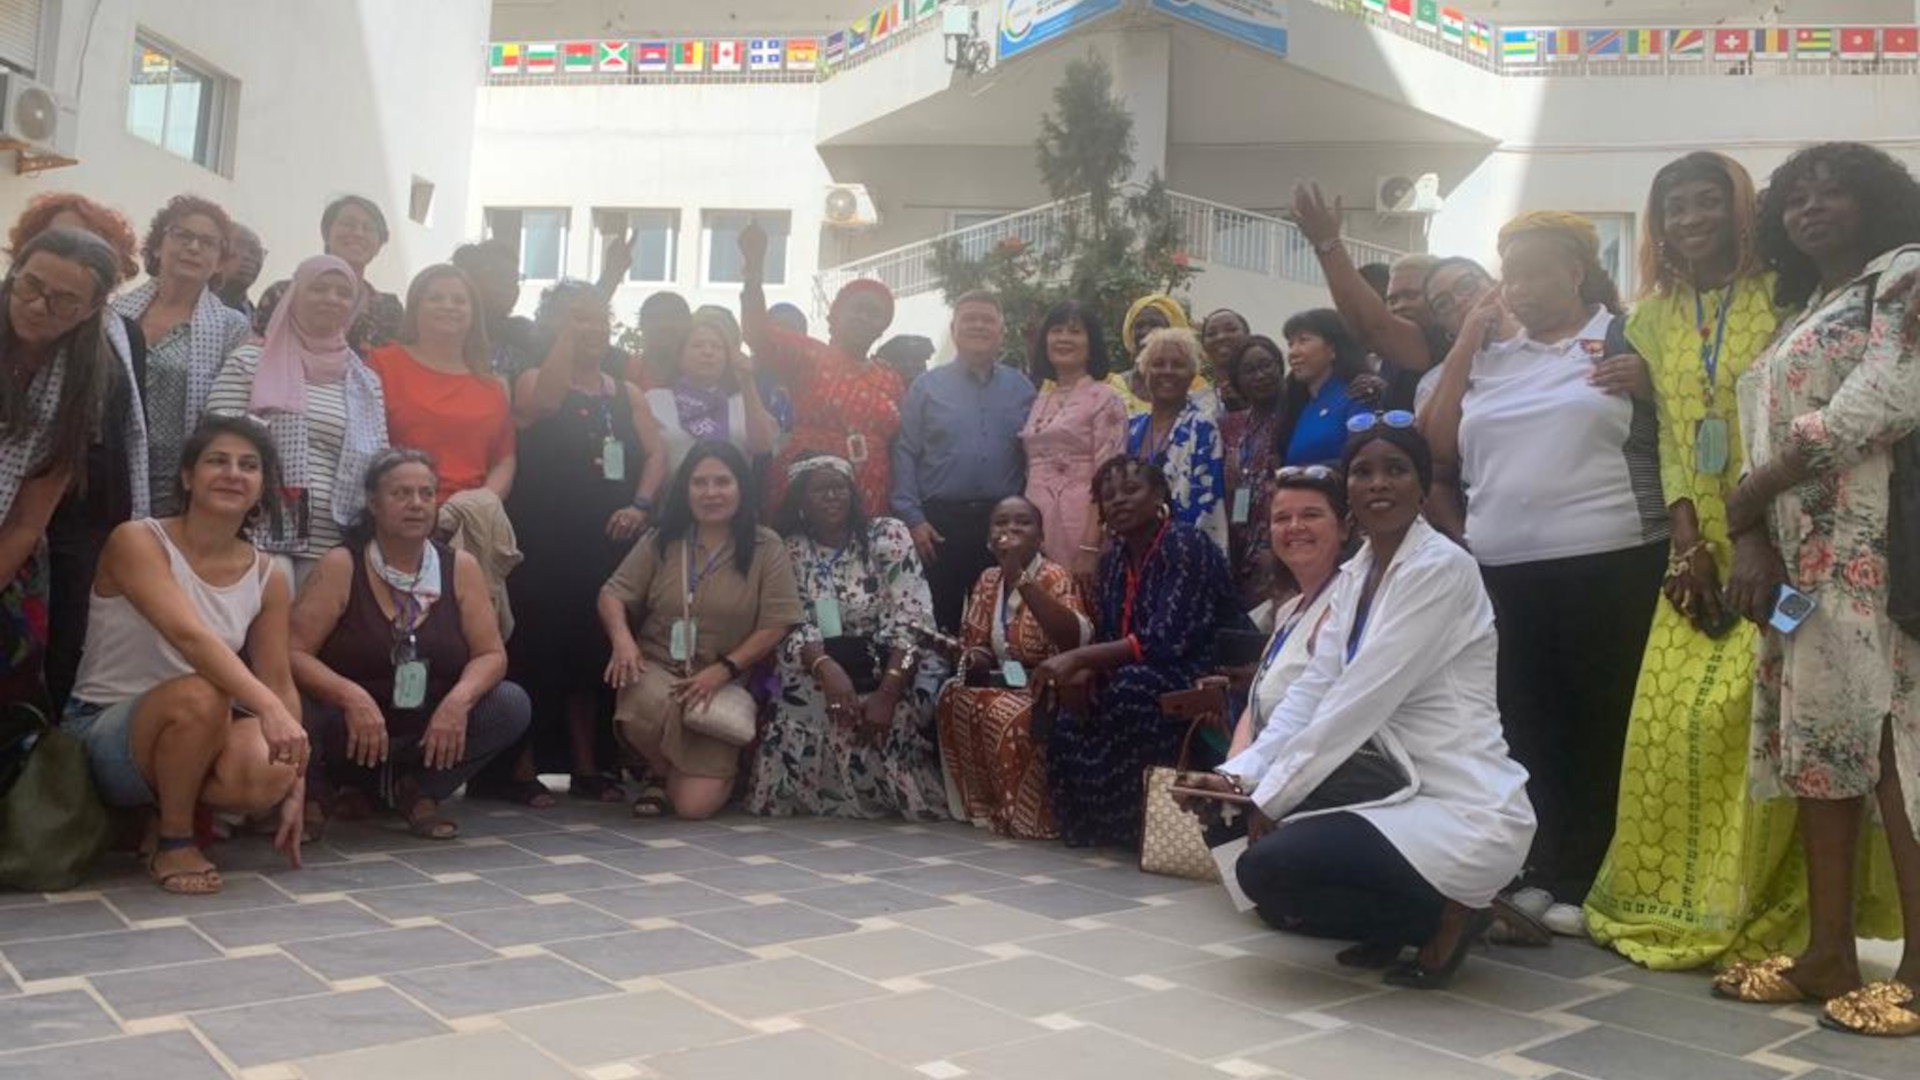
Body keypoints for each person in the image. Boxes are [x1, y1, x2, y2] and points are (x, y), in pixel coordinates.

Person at [1192, 419, 1536, 989]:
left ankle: (1453, 912)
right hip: (1380, 787)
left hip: (1457, 802)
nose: (1378, 483)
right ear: (1348, 491)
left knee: (1268, 863)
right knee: (1244, 859)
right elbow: (1312, 690)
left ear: (1422, 487)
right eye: (1362, 472)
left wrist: (1271, 797)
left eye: (1396, 470)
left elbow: (1357, 700)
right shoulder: (1356, 575)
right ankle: (1402, 922)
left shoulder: (1441, 568)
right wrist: (1237, 779)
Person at [1585, 153, 1818, 971]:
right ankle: (1671, 899)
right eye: (1674, 207)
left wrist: (1758, 537)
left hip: (1786, 542)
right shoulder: (1651, 319)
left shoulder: (1786, 295)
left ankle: (1760, 908)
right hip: (1700, 553)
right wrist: (1687, 545)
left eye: (1707, 202)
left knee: (1759, 728)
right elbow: (1673, 443)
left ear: (1742, 208)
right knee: (1669, 726)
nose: (1690, 219)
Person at [1713, 143, 1920, 1033]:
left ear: (1879, 201)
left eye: (1835, 192)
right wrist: (1750, 535)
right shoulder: (1804, 310)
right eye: (1797, 197)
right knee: (1820, 750)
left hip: (1879, 558)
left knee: (1897, 752)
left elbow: (1886, 398)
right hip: (1802, 570)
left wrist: (1752, 493)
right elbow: (1758, 438)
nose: (1812, 207)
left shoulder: (1903, 275)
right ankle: (1828, 951)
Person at [1424, 211, 1665, 935]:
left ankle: (1589, 878)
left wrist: (1652, 387)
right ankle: (1540, 867)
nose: (1521, 289)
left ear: (1577, 272)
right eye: (1511, 275)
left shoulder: (1626, 336)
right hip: (1505, 569)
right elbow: (1433, 446)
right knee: (1527, 722)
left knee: (1599, 720)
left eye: (1536, 273)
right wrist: (1465, 342)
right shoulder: (1494, 356)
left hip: (1610, 559)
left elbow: (1693, 419)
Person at [61, 415, 307, 894]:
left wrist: (296, 777)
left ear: (262, 487)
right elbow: (189, 637)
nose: (233, 473)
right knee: (201, 693)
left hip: (200, 727)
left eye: (249, 465)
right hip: (103, 726)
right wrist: (269, 709)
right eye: (217, 461)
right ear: (188, 477)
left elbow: (279, 682)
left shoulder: (269, 575)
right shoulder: (137, 540)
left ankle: (157, 809)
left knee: (265, 767)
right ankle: (176, 839)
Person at [290, 449, 531, 840]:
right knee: (295, 700)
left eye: (426, 493)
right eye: (401, 493)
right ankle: (320, 794)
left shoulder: (459, 567)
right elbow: (294, 652)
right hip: (347, 729)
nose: (416, 504)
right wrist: (350, 696)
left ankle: (417, 791)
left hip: (426, 729)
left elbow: (490, 654)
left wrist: (459, 701)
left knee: (509, 703)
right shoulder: (342, 565)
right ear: (373, 503)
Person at [501, 279, 663, 804]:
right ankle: (520, 766)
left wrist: (640, 504)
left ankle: (589, 765)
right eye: (577, 317)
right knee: (539, 648)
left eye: (598, 318)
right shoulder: (532, 378)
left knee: (592, 650)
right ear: (554, 324)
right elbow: (545, 403)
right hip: (545, 538)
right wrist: (567, 338)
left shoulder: (626, 392)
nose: (591, 328)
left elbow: (656, 453)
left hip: (608, 540)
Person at [1035, 456, 1242, 849]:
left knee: (1133, 689)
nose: (1118, 501)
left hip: (1204, 669)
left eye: (1131, 490)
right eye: (1109, 495)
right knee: (1072, 705)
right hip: (1140, 667)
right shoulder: (1113, 560)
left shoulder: (1185, 544)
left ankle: (1146, 827)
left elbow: (1166, 641)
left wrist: (1080, 658)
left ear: (1159, 493)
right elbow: (1112, 633)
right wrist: (1085, 672)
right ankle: (1095, 828)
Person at [598, 441, 802, 820]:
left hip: (720, 680)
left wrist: (724, 670)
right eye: (700, 483)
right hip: (659, 669)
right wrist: (623, 642)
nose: (711, 493)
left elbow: (777, 622)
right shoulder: (662, 539)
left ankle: (675, 775)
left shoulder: (765, 546)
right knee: (644, 700)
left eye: (722, 482)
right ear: (685, 489)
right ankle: (659, 772)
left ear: (741, 488)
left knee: (693, 808)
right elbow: (612, 594)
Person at [7, 197, 150, 711]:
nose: (37, 306)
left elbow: (27, 521)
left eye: (63, 301)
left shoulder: (86, 381)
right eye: (30, 286)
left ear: (92, 309)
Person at [748, 454, 946, 818]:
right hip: (820, 657)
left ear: (853, 494)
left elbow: (914, 620)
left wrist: (888, 691)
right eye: (819, 490)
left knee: (893, 702)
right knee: (800, 691)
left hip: (891, 659)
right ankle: (816, 793)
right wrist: (826, 668)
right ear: (801, 501)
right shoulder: (791, 548)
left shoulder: (888, 534)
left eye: (839, 487)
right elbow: (792, 622)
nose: (832, 497)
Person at [205, 255, 389, 586]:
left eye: (343, 293)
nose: (331, 298)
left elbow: (380, 462)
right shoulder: (250, 361)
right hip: (253, 532)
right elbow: (215, 443)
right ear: (295, 294)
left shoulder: (365, 382)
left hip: (335, 542)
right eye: (318, 288)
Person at [366, 265, 521, 639]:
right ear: (415, 308)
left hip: (469, 530)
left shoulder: (492, 385)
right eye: (436, 297)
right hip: (399, 522)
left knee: (463, 638)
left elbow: (505, 457)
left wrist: (477, 504)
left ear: (473, 313)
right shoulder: (383, 364)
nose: (448, 306)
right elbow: (368, 442)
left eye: (459, 300)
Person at [936, 495, 1092, 839]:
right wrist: (962, 655)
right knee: (952, 697)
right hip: (1004, 680)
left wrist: (1019, 576)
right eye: (1001, 523)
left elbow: (1073, 638)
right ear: (989, 537)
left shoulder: (1055, 576)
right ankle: (986, 807)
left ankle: (1030, 815)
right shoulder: (987, 579)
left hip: (1049, 683)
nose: (1010, 529)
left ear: (1040, 536)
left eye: (1023, 522)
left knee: (1004, 713)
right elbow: (980, 647)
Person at [892, 292, 1035, 632]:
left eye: (988, 320)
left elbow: (1033, 456)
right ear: (954, 329)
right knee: (940, 621)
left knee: (1002, 619)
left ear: (1001, 332)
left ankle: (994, 669)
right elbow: (905, 451)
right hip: (939, 525)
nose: (978, 325)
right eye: (970, 319)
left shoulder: (1022, 389)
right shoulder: (926, 387)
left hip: (1002, 523)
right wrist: (913, 518)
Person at [739, 224, 902, 518]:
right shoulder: (808, 354)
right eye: (857, 309)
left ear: (883, 327)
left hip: (870, 491)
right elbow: (757, 333)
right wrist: (753, 273)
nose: (864, 317)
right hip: (809, 488)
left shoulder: (890, 378)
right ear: (836, 314)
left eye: (874, 313)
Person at [111, 195, 253, 517]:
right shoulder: (115, 315)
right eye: (182, 235)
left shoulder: (231, 328)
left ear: (220, 262)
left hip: (178, 484)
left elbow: (229, 414)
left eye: (208, 242)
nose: (193, 247)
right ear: (157, 247)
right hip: (108, 470)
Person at [1226, 466, 1351, 759]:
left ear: (1344, 528)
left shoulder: (1350, 603)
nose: (1295, 526)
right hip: (1260, 769)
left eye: (1311, 515)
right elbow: (1256, 706)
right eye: (1282, 518)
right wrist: (1233, 767)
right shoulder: (1288, 612)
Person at [1291, 182, 1442, 410]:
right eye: (1392, 300)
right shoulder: (1390, 362)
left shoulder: (1446, 340)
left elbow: (1372, 329)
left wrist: (1326, 243)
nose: (1400, 306)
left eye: (1411, 295)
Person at [1021, 300, 1128, 581]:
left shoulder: (1105, 398)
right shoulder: (1040, 399)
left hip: (1080, 524)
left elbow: (1109, 478)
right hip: (1035, 520)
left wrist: (1091, 545)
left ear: (1091, 343)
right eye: (1056, 330)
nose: (1064, 338)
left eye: (1075, 331)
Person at [254, 195, 404, 352]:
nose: (358, 233)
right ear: (326, 234)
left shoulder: (389, 309)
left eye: (369, 228)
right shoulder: (282, 294)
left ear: (379, 245)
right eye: (348, 224)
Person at [1124, 328, 1227, 553]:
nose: (1167, 371)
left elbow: (1208, 504)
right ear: (1144, 371)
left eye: (1178, 364)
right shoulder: (1131, 428)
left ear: (1192, 374)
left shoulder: (1202, 426)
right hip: (1133, 550)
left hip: (1185, 552)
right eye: (1158, 364)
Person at [644, 308, 777, 476]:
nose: (708, 352)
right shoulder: (654, 400)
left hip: (730, 491)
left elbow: (763, 447)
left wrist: (747, 381)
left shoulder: (742, 402)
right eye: (697, 345)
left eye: (717, 347)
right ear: (679, 356)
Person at [1218, 335, 1287, 598]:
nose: (1260, 375)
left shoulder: (1294, 415)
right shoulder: (1231, 425)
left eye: (1266, 365)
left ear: (1279, 366)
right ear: (1237, 380)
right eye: (1249, 370)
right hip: (1241, 541)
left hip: (1282, 536)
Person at [1276, 310, 1371, 467]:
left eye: (1303, 340)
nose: (1292, 352)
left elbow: (1363, 460)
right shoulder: (1298, 406)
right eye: (1290, 344)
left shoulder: (1358, 396)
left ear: (1332, 349)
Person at [1414, 257, 1497, 413]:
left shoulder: (1544, 342)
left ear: (1494, 284)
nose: (1458, 301)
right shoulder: (1433, 384)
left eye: (1466, 285)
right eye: (1442, 304)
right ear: (1442, 326)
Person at [1108, 294, 1211, 416]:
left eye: (1155, 325)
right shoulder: (1111, 386)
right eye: (1139, 325)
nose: (1145, 331)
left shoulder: (1197, 388)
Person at [451, 239, 539, 379]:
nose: (509, 284)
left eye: (514, 277)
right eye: (499, 275)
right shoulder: (447, 332)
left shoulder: (526, 334)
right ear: (469, 278)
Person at [1199, 308, 1252, 412]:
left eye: (1231, 329)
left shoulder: (1269, 393)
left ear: (1248, 336)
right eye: (1211, 333)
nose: (1221, 337)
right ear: (1203, 345)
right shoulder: (1196, 402)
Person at [215, 224, 264, 321]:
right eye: (240, 246)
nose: (251, 257)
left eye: (257, 251)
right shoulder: (189, 306)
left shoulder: (259, 321)